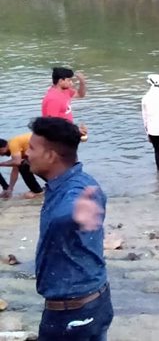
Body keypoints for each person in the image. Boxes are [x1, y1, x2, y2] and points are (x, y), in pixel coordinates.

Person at [25, 117, 113, 341]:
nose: (26, 153)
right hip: (93, 300)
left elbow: (70, 210)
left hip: (73, 313)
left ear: (51, 155)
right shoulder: (70, 182)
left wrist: (74, 215)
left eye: (32, 148)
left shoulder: (75, 191)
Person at [41, 67, 88, 139]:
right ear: (60, 81)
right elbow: (52, 125)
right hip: (57, 138)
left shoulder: (66, 91)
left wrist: (82, 82)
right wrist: (75, 131)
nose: (71, 83)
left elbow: (81, 95)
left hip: (66, 134)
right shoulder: (53, 99)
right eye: (69, 80)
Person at [0, 133, 44, 199]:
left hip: (47, 149)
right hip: (42, 150)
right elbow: (15, 170)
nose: (1, 155)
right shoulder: (14, 148)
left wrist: (1, 164)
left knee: (24, 166)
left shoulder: (13, 145)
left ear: (2, 148)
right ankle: (39, 190)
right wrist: (10, 189)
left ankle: (38, 191)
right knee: (24, 165)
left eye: (0, 153)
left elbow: (17, 162)